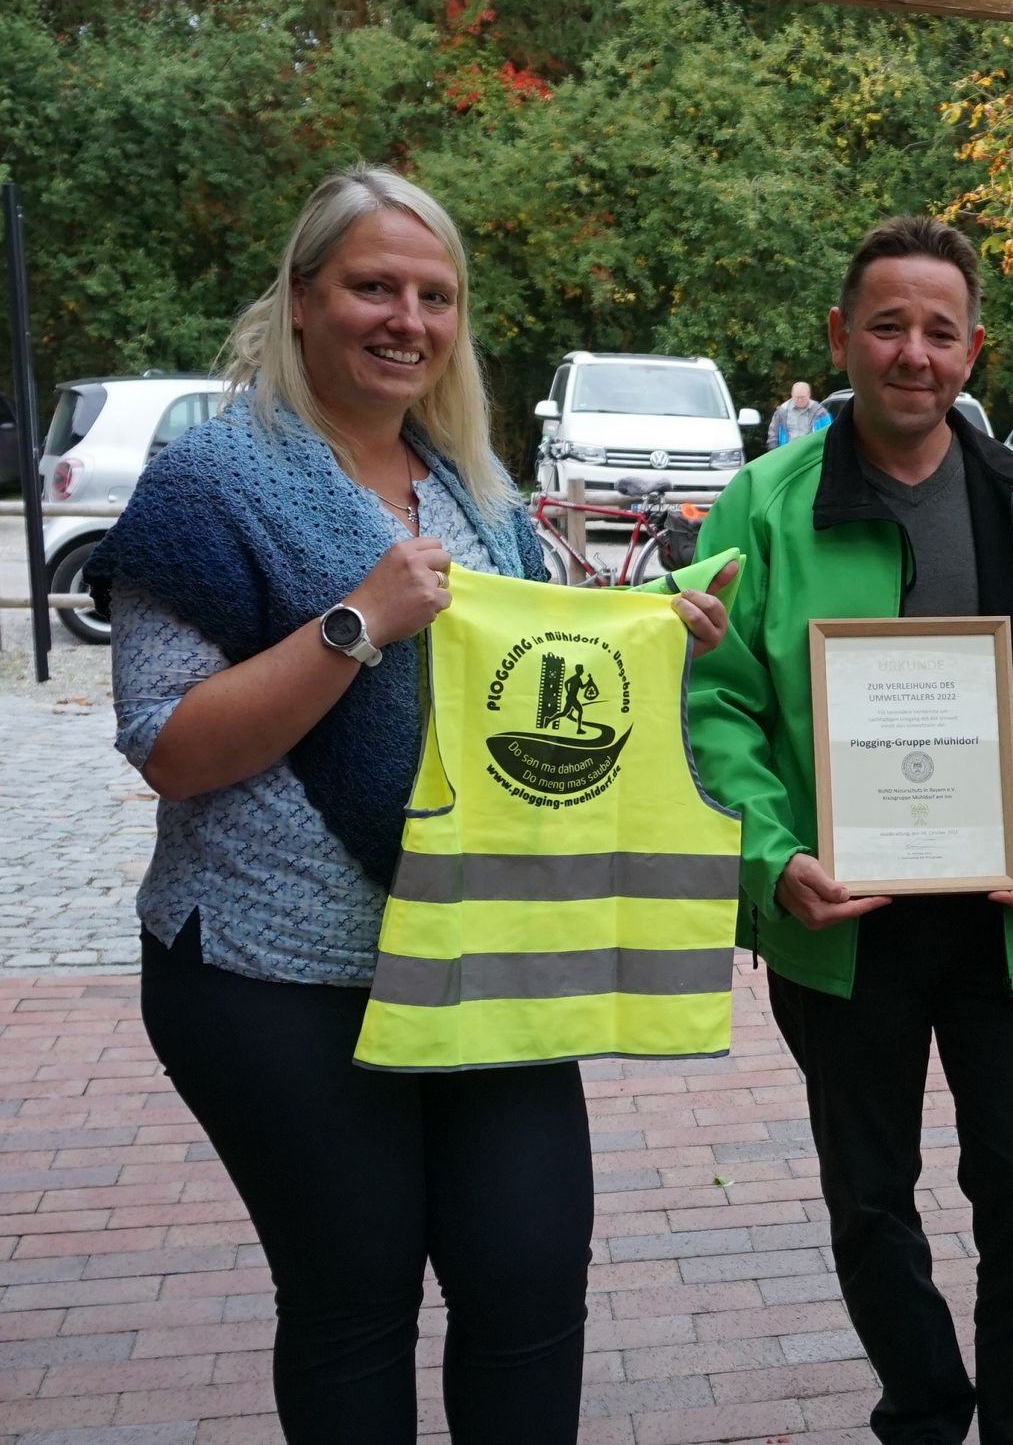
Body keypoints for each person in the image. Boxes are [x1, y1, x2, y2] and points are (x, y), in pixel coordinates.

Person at [85, 166, 732, 1445]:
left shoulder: (477, 494)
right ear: (303, 297)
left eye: (434, 296)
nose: (407, 319)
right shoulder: (211, 482)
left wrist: (642, 642)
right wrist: (357, 623)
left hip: (485, 953)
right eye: (373, 286)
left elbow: (516, 697)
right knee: (351, 1302)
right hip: (275, 975)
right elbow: (169, 747)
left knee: (530, 1278)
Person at [689, 216, 1013, 1445]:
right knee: (871, 1202)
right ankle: (927, 1411)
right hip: (842, 928)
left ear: (975, 350)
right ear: (841, 338)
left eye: (940, 330)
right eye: (887, 325)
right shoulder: (763, 506)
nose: (913, 354)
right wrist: (770, 859)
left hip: (1008, 928)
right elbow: (712, 708)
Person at [769, 378, 831, 445]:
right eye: (797, 397)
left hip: (810, 450)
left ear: (809, 395)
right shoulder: (781, 412)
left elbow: (828, 433)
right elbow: (773, 435)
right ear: (792, 395)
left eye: (803, 397)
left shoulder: (820, 413)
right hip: (788, 451)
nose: (800, 400)